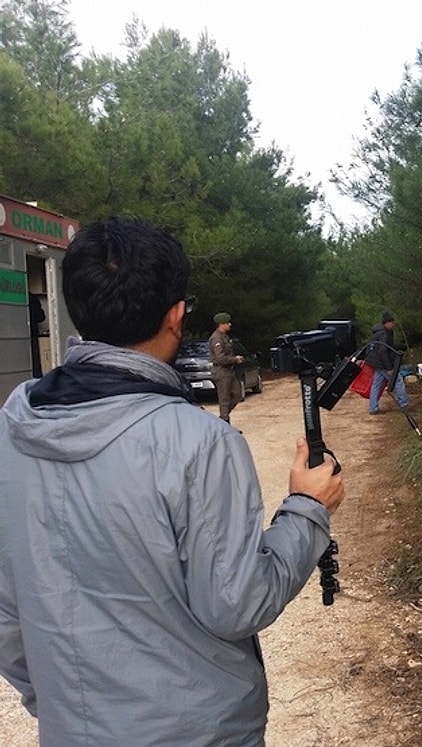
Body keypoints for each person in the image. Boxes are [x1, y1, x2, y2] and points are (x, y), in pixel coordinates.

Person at [0, 216, 344, 746]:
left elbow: (6, 610)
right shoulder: (199, 443)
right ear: (177, 316)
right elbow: (237, 604)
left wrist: (62, 708)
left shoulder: (12, 426)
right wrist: (306, 508)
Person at [366, 310, 410, 415]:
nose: (394, 325)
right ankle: (404, 404)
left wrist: (400, 347)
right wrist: (389, 368)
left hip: (375, 362)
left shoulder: (379, 332)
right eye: (393, 323)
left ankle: (373, 407)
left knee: (376, 384)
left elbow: (387, 348)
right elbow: (383, 352)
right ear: (387, 323)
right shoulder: (384, 334)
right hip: (381, 363)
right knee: (397, 380)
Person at [209, 310, 244, 423]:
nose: (230, 324)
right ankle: (225, 422)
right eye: (227, 323)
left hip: (229, 371)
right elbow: (220, 358)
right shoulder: (216, 338)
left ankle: (223, 417)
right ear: (221, 324)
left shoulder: (225, 337)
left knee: (238, 395)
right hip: (221, 371)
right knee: (224, 399)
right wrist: (235, 359)